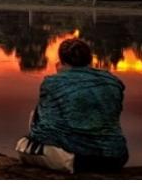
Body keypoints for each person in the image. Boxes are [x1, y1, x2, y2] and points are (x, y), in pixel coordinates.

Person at [17, 38, 128, 173]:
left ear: (62, 61)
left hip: (80, 160)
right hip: (116, 157)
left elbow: (43, 131)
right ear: (89, 60)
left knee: (23, 145)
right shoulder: (112, 81)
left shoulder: (53, 83)